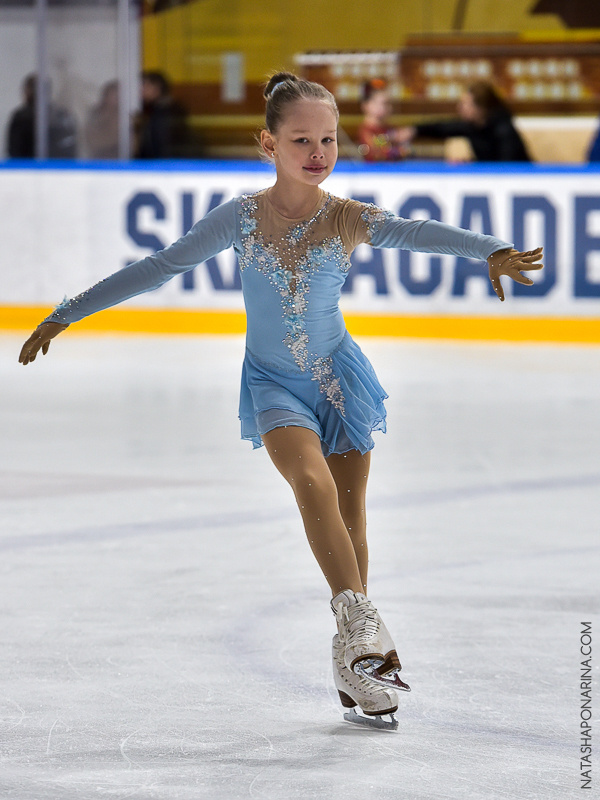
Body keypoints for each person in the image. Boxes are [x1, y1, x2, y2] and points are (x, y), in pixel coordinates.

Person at [18, 71, 543, 729]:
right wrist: (68, 312)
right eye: (302, 139)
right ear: (268, 142)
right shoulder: (240, 218)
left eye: (328, 138)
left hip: (338, 382)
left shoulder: (345, 217)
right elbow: (159, 266)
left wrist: (487, 248)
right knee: (311, 484)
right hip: (273, 383)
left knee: (352, 523)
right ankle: (368, 642)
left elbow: (416, 232)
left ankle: (357, 665)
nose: (319, 152)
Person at [396, 80, 531, 163]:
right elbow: (443, 128)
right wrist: (415, 130)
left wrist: (475, 167)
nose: (460, 108)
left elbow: (505, 168)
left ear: (481, 108)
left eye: (466, 104)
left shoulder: (504, 131)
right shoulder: (473, 125)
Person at [6, 73, 78, 158]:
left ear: (27, 91)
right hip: (57, 169)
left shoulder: (21, 117)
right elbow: (69, 149)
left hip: (28, 169)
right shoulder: (61, 115)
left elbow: (14, 151)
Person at [134, 71, 189, 159]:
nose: (141, 90)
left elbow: (161, 147)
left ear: (157, 88)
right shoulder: (153, 111)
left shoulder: (166, 113)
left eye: (145, 86)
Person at [356, 79, 407, 162]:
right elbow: (373, 152)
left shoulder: (390, 128)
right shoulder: (366, 131)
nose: (387, 108)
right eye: (383, 103)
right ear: (366, 105)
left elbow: (403, 149)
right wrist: (394, 143)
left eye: (389, 103)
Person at [84, 80, 120, 159]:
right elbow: (92, 140)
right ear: (106, 96)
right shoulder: (96, 114)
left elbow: (130, 142)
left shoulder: (123, 115)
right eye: (115, 95)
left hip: (118, 161)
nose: (118, 98)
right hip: (98, 160)